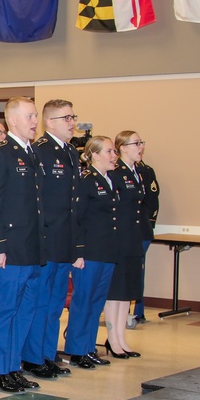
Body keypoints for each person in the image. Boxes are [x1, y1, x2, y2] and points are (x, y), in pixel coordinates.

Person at [0, 97, 46, 394]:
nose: (35, 121)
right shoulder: (1, 154)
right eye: (30, 116)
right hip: (10, 248)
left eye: (35, 116)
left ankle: (13, 366)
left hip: (32, 247)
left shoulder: (31, 152)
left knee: (25, 310)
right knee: (4, 310)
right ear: (13, 121)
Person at [22, 100, 80, 380]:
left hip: (64, 238)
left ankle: (47, 353)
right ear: (51, 122)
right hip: (46, 238)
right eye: (66, 117)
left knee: (56, 302)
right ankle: (33, 357)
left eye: (73, 116)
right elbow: (38, 200)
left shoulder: (71, 152)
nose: (72, 122)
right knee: (41, 301)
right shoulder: (41, 151)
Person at [65, 136, 119, 369]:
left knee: (96, 303)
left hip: (106, 251)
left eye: (114, 151)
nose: (114, 155)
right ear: (94, 155)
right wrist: (78, 251)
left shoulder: (109, 180)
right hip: (89, 252)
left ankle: (88, 347)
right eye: (109, 151)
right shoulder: (86, 180)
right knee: (83, 301)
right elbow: (76, 218)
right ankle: (77, 350)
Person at [102, 131, 150, 358]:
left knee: (127, 293)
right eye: (135, 143)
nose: (140, 147)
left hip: (133, 237)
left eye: (141, 143)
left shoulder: (137, 173)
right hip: (118, 239)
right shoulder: (117, 173)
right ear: (122, 147)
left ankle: (121, 337)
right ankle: (112, 339)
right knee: (116, 292)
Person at [130, 148, 159, 327]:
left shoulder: (145, 171)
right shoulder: (116, 170)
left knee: (137, 272)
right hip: (122, 233)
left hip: (141, 230)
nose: (140, 148)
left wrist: (147, 223)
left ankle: (138, 311)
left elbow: (153, 199)